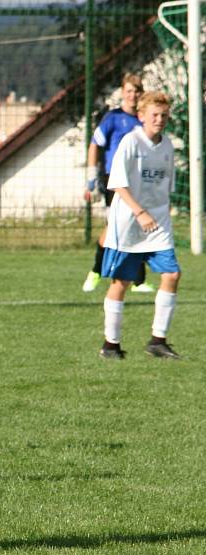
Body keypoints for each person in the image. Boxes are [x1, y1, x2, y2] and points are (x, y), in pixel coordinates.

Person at [99, 91, 180, 360]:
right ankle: (110, 345)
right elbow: (118, 183)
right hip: (130, 223)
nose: (159, 120)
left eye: (164, 115)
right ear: (141, 116)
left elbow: (165, 186)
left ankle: (158, 340)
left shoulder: (167, 145)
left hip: (158, 223)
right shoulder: (130, 142)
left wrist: (162, 211)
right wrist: (140, 212)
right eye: (154, 115)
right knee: (122, 281)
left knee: (172, 275)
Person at [82, 73, 155, 294]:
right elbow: (95, 144)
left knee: (140, 228)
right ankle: (95, 271)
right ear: (123, 93)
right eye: (129, 91)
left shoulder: (144, 121)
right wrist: (91, 178)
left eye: (136, 91)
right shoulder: (113, 118)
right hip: (116, 182)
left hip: (140, 182)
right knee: (114, 228)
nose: (133, 96)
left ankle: (139, 282)